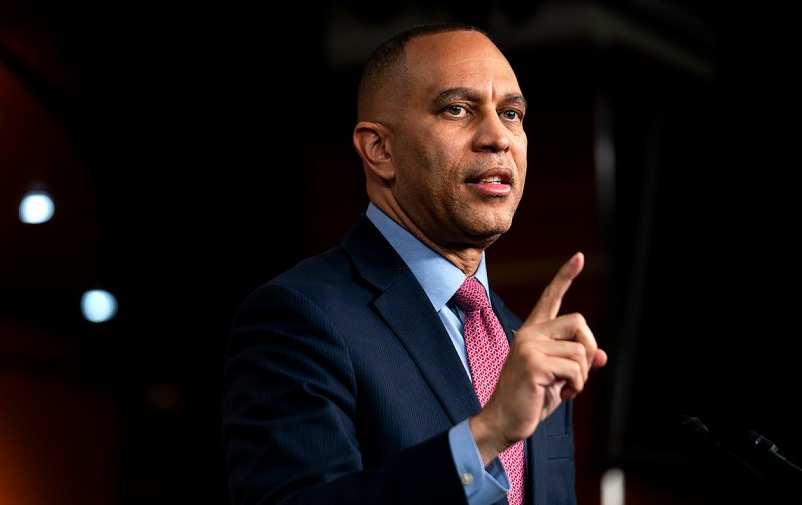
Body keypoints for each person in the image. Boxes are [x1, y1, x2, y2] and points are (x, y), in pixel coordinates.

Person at [221, 21, 608, 505]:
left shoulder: (522, 347)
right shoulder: (298, 318)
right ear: (379, 150)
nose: (498, 137)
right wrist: (488, 432)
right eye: (457, 109)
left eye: (511, 113)